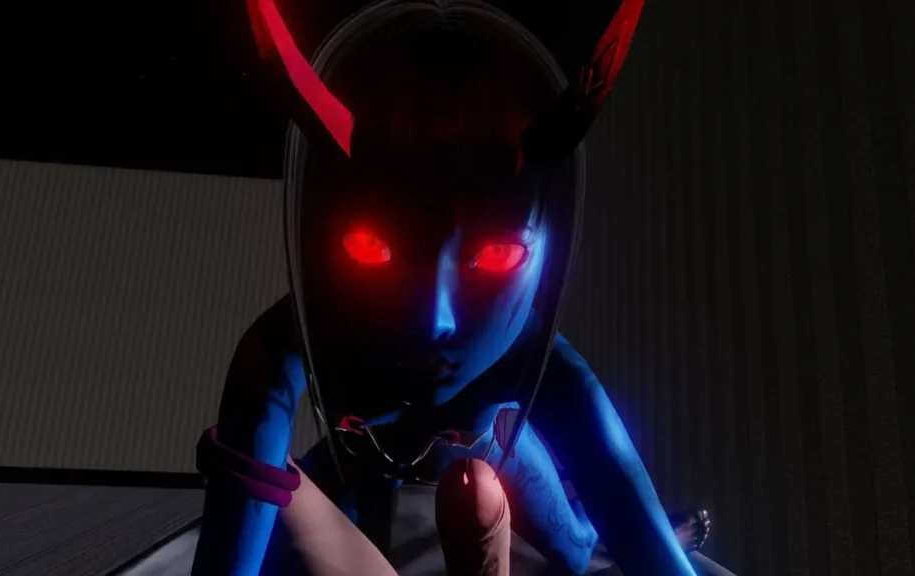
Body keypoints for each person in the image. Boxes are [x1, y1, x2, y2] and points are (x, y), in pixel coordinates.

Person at [193, 0, 696, 574]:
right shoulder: (288, 343)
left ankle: (647, 530)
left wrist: (652, 541)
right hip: (357, 464)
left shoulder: (537, 359)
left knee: (576, 548)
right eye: (373, 250)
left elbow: (623, 501)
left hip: (482, 458)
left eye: (496, 255)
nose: (434, 319)